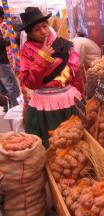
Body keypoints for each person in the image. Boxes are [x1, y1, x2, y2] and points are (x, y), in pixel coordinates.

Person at [19, 7, 83, 147]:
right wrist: (43, 58)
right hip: (44, 103)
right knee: (52, 141)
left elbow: (75, 73)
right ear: (29, 34)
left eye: (44, 26)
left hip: (68, 98)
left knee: (75, 137)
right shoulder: (27, 50)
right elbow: (30, 82)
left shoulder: (62, 44)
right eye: (36, 29)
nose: (43, 31)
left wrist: (80, 94)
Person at [0, 6, 20, 112]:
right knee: (11, 86)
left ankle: (7, 109)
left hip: (2, 62)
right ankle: (16, 108)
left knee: (3, 87)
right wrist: (10, 39)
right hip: (2, 62)